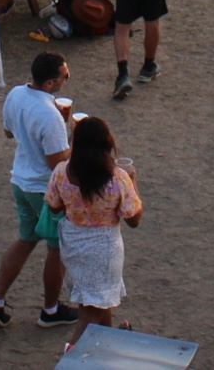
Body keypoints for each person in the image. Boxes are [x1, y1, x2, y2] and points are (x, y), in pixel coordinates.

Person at [0, 51, 79, 332]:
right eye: (64, 75)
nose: (67, 78)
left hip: (20, 182)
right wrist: (75, 139)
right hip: (44, 191)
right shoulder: (50, 117)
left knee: (25, 239)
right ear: (49, 83)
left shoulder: (15, 95)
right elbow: (58, 162)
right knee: (57, 249)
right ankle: (50, 310)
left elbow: (8, 133)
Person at [43, 117, 142, 334]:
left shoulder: (62, 171)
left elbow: (54, 207)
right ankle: (71, 359)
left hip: (72, 244)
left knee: (94, 300)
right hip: (103, 249)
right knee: (91, 310)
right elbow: (133, 219)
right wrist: (133, 182)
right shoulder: (118, 178)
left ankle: (110, 339)